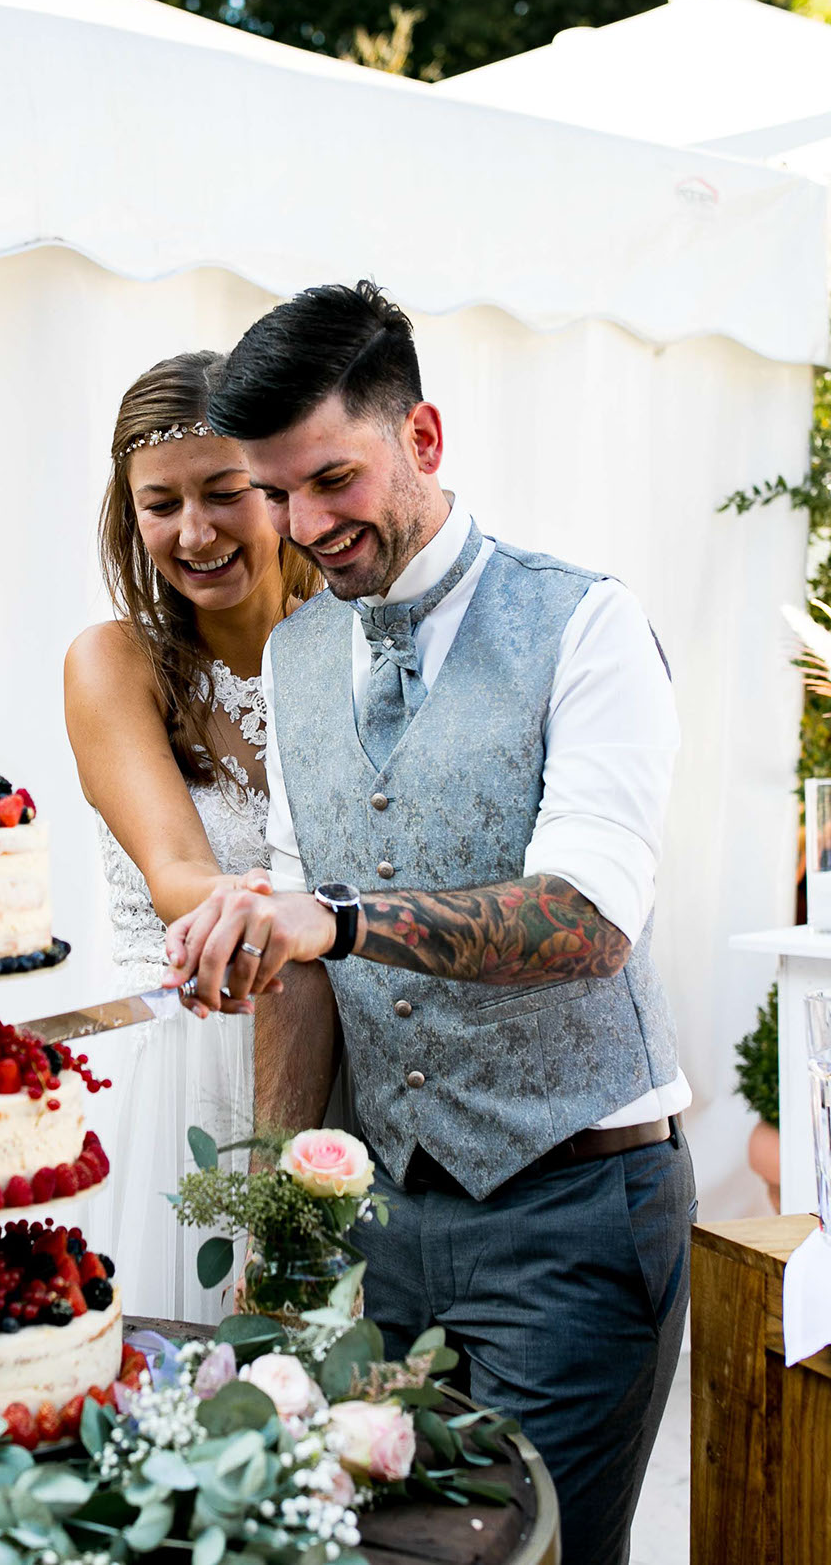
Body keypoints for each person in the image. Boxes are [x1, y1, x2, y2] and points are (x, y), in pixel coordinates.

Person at [162, 284, 691, 1565]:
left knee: (527, 1554)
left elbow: (585, 919)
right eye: (280, 492)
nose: (307, 524)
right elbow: (297, 970)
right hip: (386, 1220)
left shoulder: (586, 622)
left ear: (426, 438)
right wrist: (284, 1218)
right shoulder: (293, 655)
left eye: (334, 479)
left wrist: (331, 918)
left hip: (573, 1209)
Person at [63, 351, 340, 1322]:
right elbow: (178, 868)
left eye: (223, 492)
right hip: (178, 1075)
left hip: (346, 1072)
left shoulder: (354, 644)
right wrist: (271, 907)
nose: (194, 531)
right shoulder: (113, 660)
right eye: (159, 503)